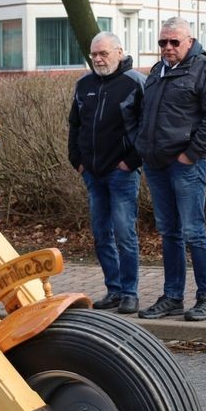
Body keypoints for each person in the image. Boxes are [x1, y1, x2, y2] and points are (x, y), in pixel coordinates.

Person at [135, 17, 206, 322]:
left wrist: (190, 155)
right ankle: (172, 297)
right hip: (156, 164)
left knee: (193, 232)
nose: (167, 47)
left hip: (186, 165)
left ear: (189, 41)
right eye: (163, 42)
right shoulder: (156, 71)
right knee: (169, 233)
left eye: (174, 41)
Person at [68, 32, 145, 315]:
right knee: (101, 233)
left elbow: (147, 127)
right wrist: (77, 160)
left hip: (122, 173)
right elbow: (74, 125)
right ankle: (113, 289)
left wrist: (131, 161)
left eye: (104, 54)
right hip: (93, 173)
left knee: (125, 233)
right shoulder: (84, 84)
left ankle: (130, 293)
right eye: (94, 54)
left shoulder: (135, 82)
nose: (99, 59)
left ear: (119, 52)